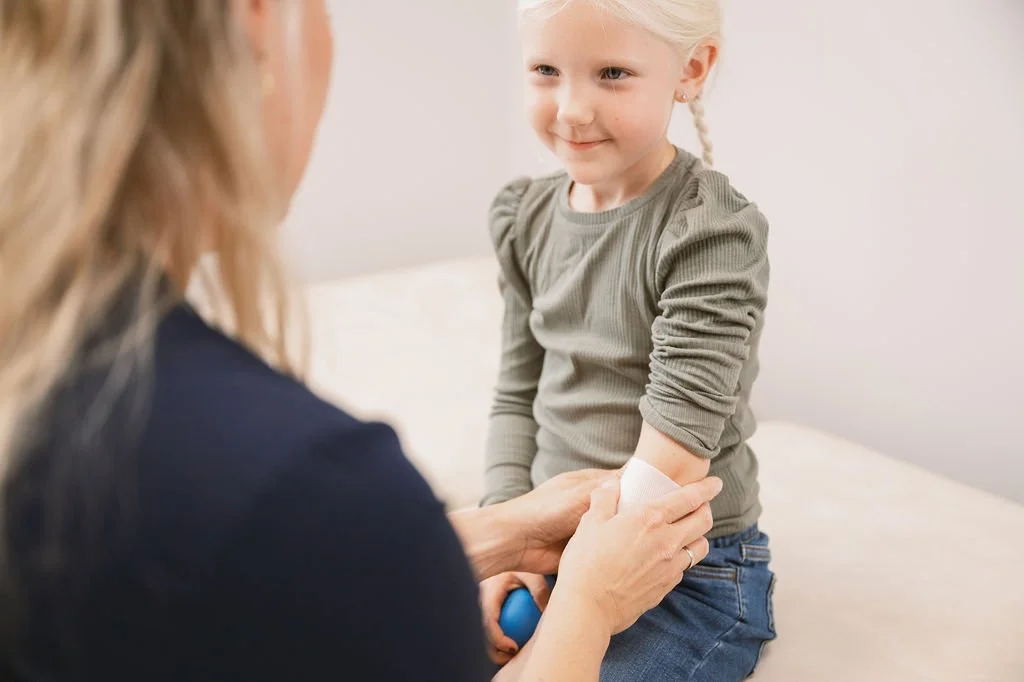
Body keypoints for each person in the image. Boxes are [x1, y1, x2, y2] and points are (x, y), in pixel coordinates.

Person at [0, 1, 723, 681]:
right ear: (257, 21)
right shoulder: (327, 500)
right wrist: (589, 605)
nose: (572, 108)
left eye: (612, 74)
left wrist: (492, 531)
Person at [479, 0, 777, 680]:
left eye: (612, 72)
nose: (573, 109)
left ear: (691, 69)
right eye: (547, 70)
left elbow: (669, 462)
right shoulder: (524, 217)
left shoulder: (708, 232)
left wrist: (579, 594)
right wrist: (509, 542)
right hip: (550, 547)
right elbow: (515, 394)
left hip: (681, 564)